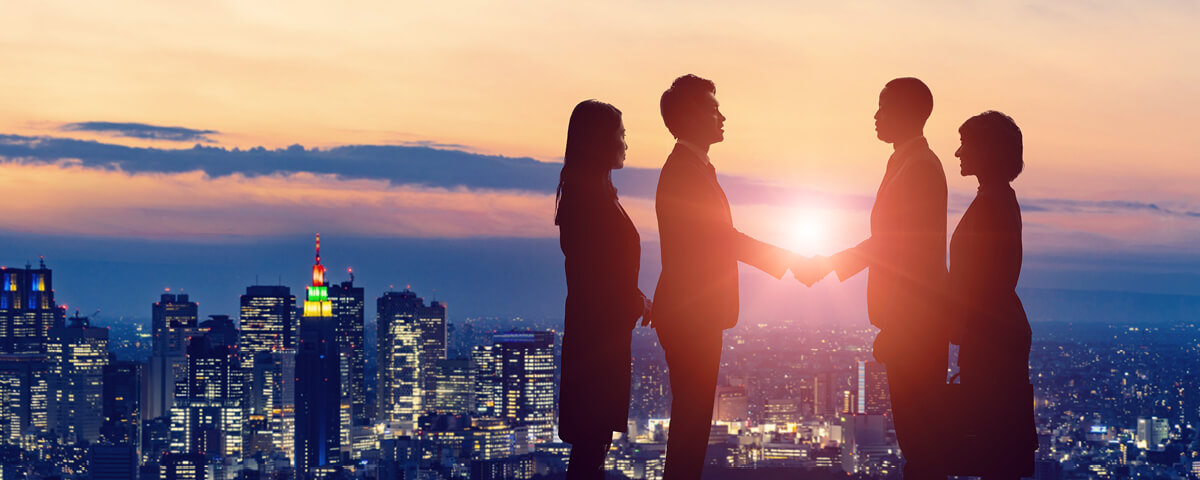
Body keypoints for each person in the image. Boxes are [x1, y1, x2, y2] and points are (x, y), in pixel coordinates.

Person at [796, 78, 950, 479]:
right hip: (911, 323)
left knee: (922, 440)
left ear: (907, 113)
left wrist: (829, 264)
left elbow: (900, 249)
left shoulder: (919, 167)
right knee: (916, 439)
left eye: (883, 107)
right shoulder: (904, 162)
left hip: (915, 324)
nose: (876, 116)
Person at [652, 74, 795, 479]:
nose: (723, 116)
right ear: (692, 116)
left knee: (693, 422)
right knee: (691, 423)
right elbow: (722, 239)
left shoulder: (691, 169)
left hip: (691, 315)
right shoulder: (685, 172)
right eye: (714, 108)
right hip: (691, 317)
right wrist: (788, 261)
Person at [555, 100, 651, 480]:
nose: (626, 143)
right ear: (600, 141)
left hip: (600, 340)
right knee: (591, 449)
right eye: (621, 135)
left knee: (593, 448)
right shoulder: (589, 201)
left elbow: (604, 271)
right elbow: (595, 276)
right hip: (597, 344)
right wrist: (633, 300)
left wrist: (635, 297)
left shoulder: (594, 195)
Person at [949, 111, 1036, 478]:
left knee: (994, 446)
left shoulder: (993, 203)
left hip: (990, 339)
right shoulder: (996, 199)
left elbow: (984, 279)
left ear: (987, 150)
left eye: (965, 144)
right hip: (994, 334)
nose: (957, 153)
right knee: (995, 446)